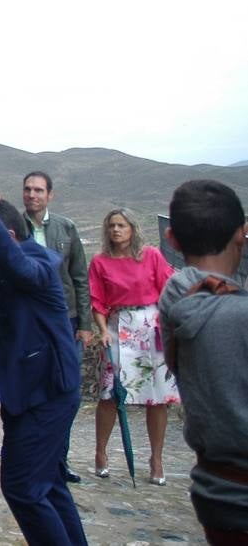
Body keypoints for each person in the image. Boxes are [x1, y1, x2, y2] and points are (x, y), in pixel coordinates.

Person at [0, 188, 88, 544]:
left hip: (47, 395)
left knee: (23, 488)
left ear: (7, 238)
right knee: (51, 485)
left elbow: (19, 268)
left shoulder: (38, 263)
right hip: (27, 396)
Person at [159, 180, 248, 544]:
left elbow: (201, 283)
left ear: (172, 239)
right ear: (241, 234)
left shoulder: (178, 301)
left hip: (218, 497)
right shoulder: (236, 315)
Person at [88, 207, 179, 484]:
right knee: (110, 393)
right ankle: (100, 453)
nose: (116, 230)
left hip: (151, 325)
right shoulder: (100, 262)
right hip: (118, 327)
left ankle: (156, 459)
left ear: (132, 229)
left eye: (122, 225)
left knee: (157, 395)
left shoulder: (150, 255)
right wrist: (103, 330)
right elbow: (97, 300)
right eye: (112, 225)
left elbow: (168, 288)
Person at [21, 170, 91, 483]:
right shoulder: (14, 227)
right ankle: (36, 458)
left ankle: (59, 460)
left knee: (66, 393)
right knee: (33, 389)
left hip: (66, 320)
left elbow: (79, 278)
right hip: (29, 320)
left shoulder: (67, 228)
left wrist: (85, 324)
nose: (32, 195)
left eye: (38, 190)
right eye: (28, 190)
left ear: (50, 195)